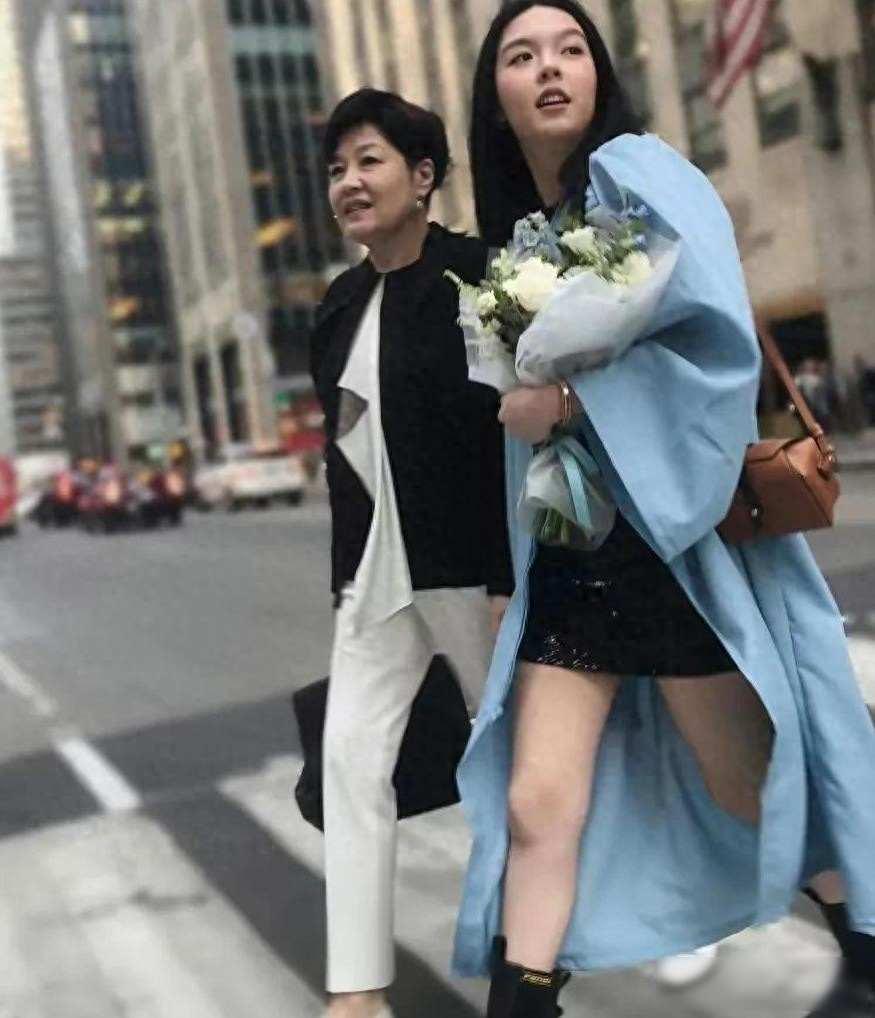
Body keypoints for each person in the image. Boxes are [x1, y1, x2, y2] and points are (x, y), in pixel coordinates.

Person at [450, 4, 875, 1017]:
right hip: (576, 552)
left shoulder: (636, 170)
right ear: (494, 98)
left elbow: (714, 344)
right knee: (536, 803)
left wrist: (568, 399)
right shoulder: (529, 236)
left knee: (748, 781)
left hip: (670, 550)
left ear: (600, 73)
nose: (550, 69)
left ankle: (865, 953)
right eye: (521, 56)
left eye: (570, 50)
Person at [309, 88, 513, 1018]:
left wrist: (509, 578)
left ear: (422, 176)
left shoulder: (478, 275)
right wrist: (343, 581)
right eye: (336, 169)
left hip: (470, 570)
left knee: (512, 768)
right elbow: (340, 457)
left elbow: (507, 440)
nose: (348, 183)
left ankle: (533, 950)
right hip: (375, 578)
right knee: (351, 762)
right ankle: (357, 991)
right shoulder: (336, 307)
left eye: (369, 162)